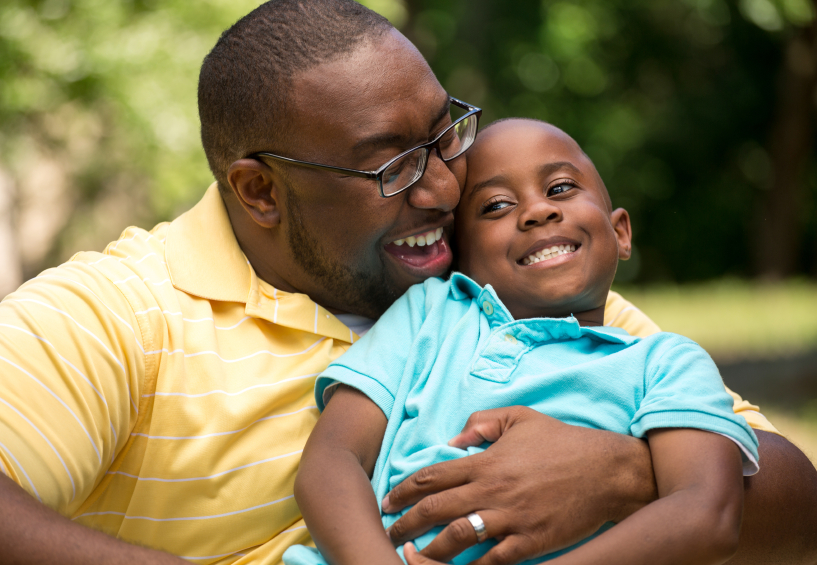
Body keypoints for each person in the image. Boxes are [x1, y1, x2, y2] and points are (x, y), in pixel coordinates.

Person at [0, 2, 814, 565]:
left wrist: (625, 473)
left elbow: (791, 508)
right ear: (260, 190)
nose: (444, 187)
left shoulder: (506, 289)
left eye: (444, 135)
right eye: (391, 165)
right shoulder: (124, 312)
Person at [283, 117, 760, 565]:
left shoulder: (666, 363)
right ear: (461, 259)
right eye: (495, 207)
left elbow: (708, 513)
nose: (537, 211)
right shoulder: (430, 313)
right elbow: (331, 460)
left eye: (560, 188)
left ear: (620, 233)